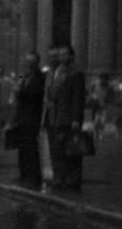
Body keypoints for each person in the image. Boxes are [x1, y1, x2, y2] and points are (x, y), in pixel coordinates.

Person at [43, 44, 86, 191]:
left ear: (71, 56)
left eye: (64, 55)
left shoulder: (76, 73)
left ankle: (72, 181)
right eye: (59, 55)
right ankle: (59, 178)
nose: (61, 58)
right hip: (54, 118)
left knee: (71, 152)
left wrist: (75, 119)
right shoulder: (55, 72)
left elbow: (78, 98)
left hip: (68, 118)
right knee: (57, 151)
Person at [11, 52, 45, 188]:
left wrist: (21, 92)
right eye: (27, 61)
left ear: (37, 62)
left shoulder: (40, 77)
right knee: (22, 147)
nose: (28, 64)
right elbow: (17, 86)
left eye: (32, 61)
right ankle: (24, 173)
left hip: (32, 116)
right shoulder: (23, 75)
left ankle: (33, 175)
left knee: (31, 146)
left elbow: (36, 94)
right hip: (22, 116)